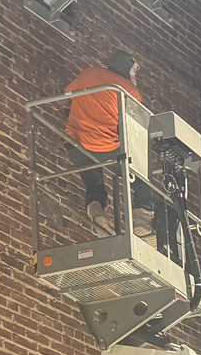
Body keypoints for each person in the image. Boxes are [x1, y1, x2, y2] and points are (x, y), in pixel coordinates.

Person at [64, 51, 150, 235]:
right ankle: (141, 220)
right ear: (126, 69)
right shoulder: (129, 89)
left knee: (94, 185)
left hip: (76, 143)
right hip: (106, 148)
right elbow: (134, 127)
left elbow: (67, 102)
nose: (135, 77)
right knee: (144, 179)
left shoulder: (87, 74)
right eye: (134, 72)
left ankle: (96, 209)